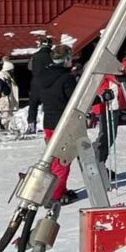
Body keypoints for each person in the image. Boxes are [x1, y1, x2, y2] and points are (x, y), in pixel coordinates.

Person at [32, 48, 81, 215]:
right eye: (70, 58)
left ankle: (58, 189)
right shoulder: (66, 79)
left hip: (49, 122)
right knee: (63, 160)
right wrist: (100, 98)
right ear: (66, 59)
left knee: (54, 159)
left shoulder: (42, 77)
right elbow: (76, 100)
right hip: (63, 122)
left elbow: (35, 98)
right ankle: (56, 195)